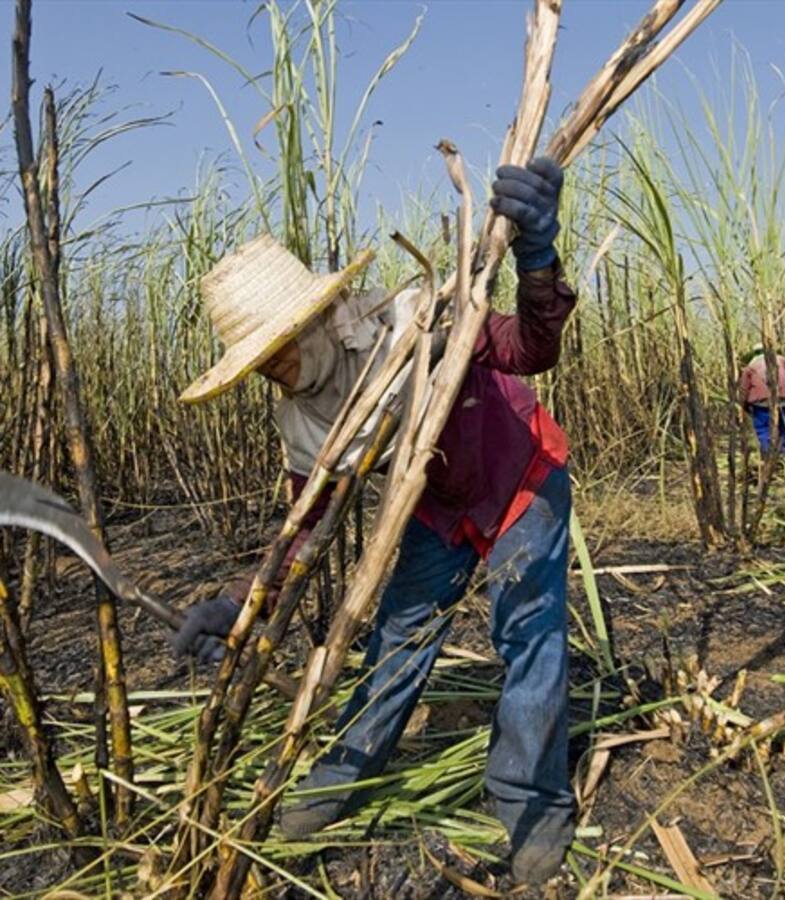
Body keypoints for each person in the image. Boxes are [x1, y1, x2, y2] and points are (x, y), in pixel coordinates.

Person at [171, 158, 578, 885]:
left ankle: (531, 801)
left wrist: (537, 258)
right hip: (438, 506)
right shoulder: (301, 420)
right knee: (398, 637)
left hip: (519, 475)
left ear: (316, 318)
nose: (275, 369)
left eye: (279, 347)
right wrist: (243, 603)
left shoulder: (406, 318)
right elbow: (305, 524)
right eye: (259, 361)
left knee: (529, 631)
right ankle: (343, 777)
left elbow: (528, 350)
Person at [738, 345, 785, 454]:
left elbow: (744, 388)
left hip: (761, 402)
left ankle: (768, 453)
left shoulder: (751, 366)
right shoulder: (783, 360)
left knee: (763, 428)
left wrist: (743, 405)